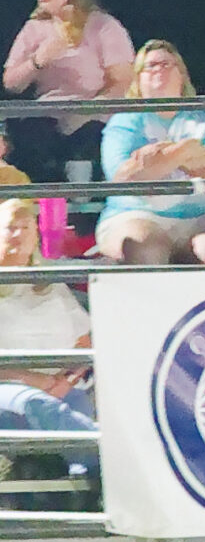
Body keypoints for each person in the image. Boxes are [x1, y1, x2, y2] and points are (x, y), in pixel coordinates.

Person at [3, 0, 136, 184]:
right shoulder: (34, 28)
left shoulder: (105, 26)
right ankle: (43, 206)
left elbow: (123, 82)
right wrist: (38, 59)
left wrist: (84, 113)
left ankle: (84, 204)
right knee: (30, 135)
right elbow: (11, 84)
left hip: (96, 117)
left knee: (90, 137)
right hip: (48, 117)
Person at [96, 41, 205, 265]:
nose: (158, 69)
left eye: (166, 64)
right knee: (146, 246)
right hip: (136, 215)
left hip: (200, 216)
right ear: (138, 79)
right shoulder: (124, 121)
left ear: (181, 74)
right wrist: (185, 151)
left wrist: (156, 159)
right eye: (150, 65)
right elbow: (124, 179)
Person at [0, 196, 97, 477]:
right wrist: (33, 380)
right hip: (11, 389)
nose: (19, 234)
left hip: (59, 386)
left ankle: (87, 480)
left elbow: (84, 343)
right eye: (10, 228)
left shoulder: (51, 284)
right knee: (34, 402)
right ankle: (112, 456)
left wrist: (65, 381)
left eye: (27, 227)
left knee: (77, 401)